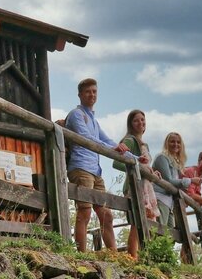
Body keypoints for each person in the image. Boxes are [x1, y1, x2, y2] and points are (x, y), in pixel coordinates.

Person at [65, 78, 130, 252]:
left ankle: (114, 255)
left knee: (106, 214)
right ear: (80, 94)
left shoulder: (94, 120)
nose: (92, 94)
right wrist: (111, 147)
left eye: (94, 91)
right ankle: (82, 256)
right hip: (81, 167)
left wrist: (136, 158)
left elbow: (107, 140)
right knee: (84, 213)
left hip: (95, 170)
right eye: (88, 91)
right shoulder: (76, 115)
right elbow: (86, 138)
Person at [112, 109, 159, 258]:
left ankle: (143, 257)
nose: (141, 123)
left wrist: (151, 172)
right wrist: (136, 167)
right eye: (136, 120)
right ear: (131, 124)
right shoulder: (130, 141)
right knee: (136, 222)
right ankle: (132, 257)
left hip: (146, 187)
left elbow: (144, 166)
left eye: (143, 120)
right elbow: (116, 163)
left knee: (147, 221)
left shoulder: (145, 145)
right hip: (135, 186)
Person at [152, 132, 202, 229]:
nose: (176, 144)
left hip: (169, 202)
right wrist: (191, 180)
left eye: (178, 142)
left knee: (169, 236)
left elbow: (178, 183)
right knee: (159, 232)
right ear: (167, 143)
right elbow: (169, 181)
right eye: (172, 142)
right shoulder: (162, 158)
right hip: (160, 198)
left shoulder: (176, 163)